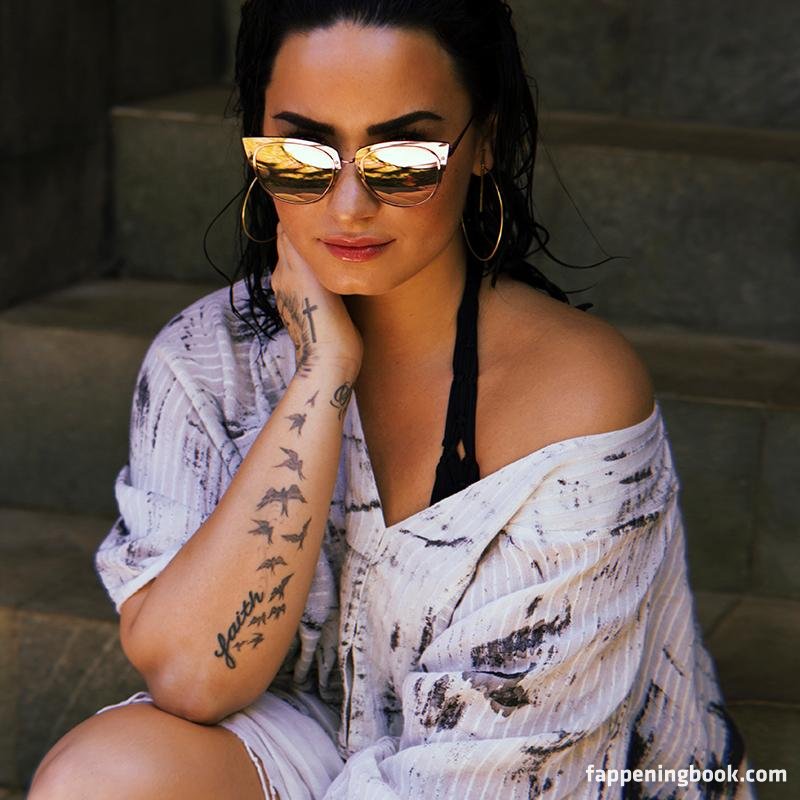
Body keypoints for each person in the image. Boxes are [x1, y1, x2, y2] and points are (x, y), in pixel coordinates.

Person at [28, 1, 754, 798]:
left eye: (403, 155)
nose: (348, 204)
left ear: (484, 143)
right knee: (100, 780)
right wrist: (321, 373)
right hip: (311, 740)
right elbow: (193, 679)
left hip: (532, 777)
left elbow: (498, 778)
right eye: (301, 151)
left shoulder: (576, 395)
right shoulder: (206, 359)